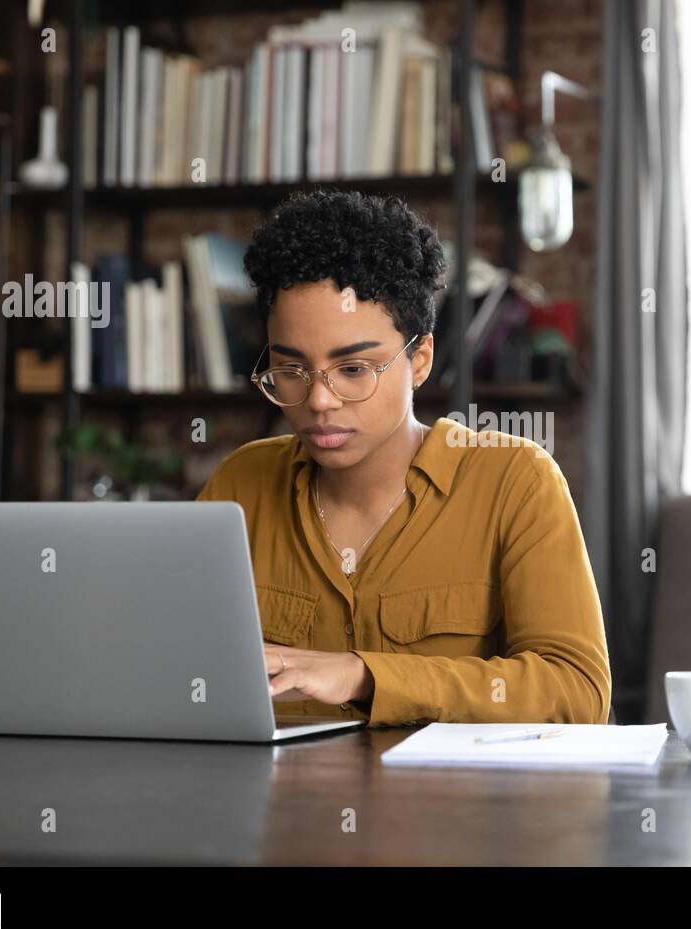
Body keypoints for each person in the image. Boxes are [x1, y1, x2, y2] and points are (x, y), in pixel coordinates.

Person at [195, 188, 610, 727]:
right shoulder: (241, 484)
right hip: (274, 806)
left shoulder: (516, 482)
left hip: (448, 809)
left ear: (420, 361)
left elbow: (577, 691)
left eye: (353, 370)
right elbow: (174, 667)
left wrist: (366, 675)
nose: (319, 401)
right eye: (291, 370)